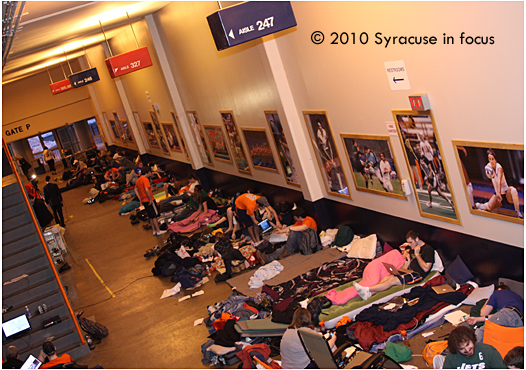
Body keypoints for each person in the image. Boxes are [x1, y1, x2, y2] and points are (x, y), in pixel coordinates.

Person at [354, 230, 435, 300]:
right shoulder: (412, 248)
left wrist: (417, 255)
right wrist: (403, 267)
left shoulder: (428, 250)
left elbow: (426, 269)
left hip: (417, 275)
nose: (409, 245)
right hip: (408, 272)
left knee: (392, 281)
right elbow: (408, 265)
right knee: (387, 277)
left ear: (417, 239)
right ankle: (370, 294)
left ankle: (367, 289)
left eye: (411, 242)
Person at [476, 149, 523, 219]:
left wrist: (499, 193)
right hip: (499, 194)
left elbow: (498, 181)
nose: (491, 161)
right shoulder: (488, 168)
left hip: (506, 195)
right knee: (488, 207)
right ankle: (479, 205)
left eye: (492, 159)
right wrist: (498, 194)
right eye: (489, 159)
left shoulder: (499, 168)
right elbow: (494, 182)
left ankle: (518, 212)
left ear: (495, 160)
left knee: (513, 190)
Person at [134, 166, 166, 236]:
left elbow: (135, 190)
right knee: (154, 215)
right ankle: (158, 230)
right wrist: (150, 199)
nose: (151, 174)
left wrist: (140, 198)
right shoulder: (145, 180)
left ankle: (154, 230)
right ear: (147, 172)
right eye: (150, 172)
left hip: (143, 200)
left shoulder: (138, 180)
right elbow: (146, 189)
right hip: (148, 200)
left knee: (150, 215)